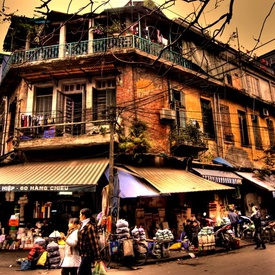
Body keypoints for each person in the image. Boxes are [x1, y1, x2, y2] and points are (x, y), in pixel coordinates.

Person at [77, 208, 101, 275]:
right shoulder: (82, 225)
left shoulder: (90, 226)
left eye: (80, 214)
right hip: (83, 253)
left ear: (83, 215)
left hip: (88, 254)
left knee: (80, 272)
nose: (79, 216)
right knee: (87, 272)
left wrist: (98, 257)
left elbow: (94, 242)